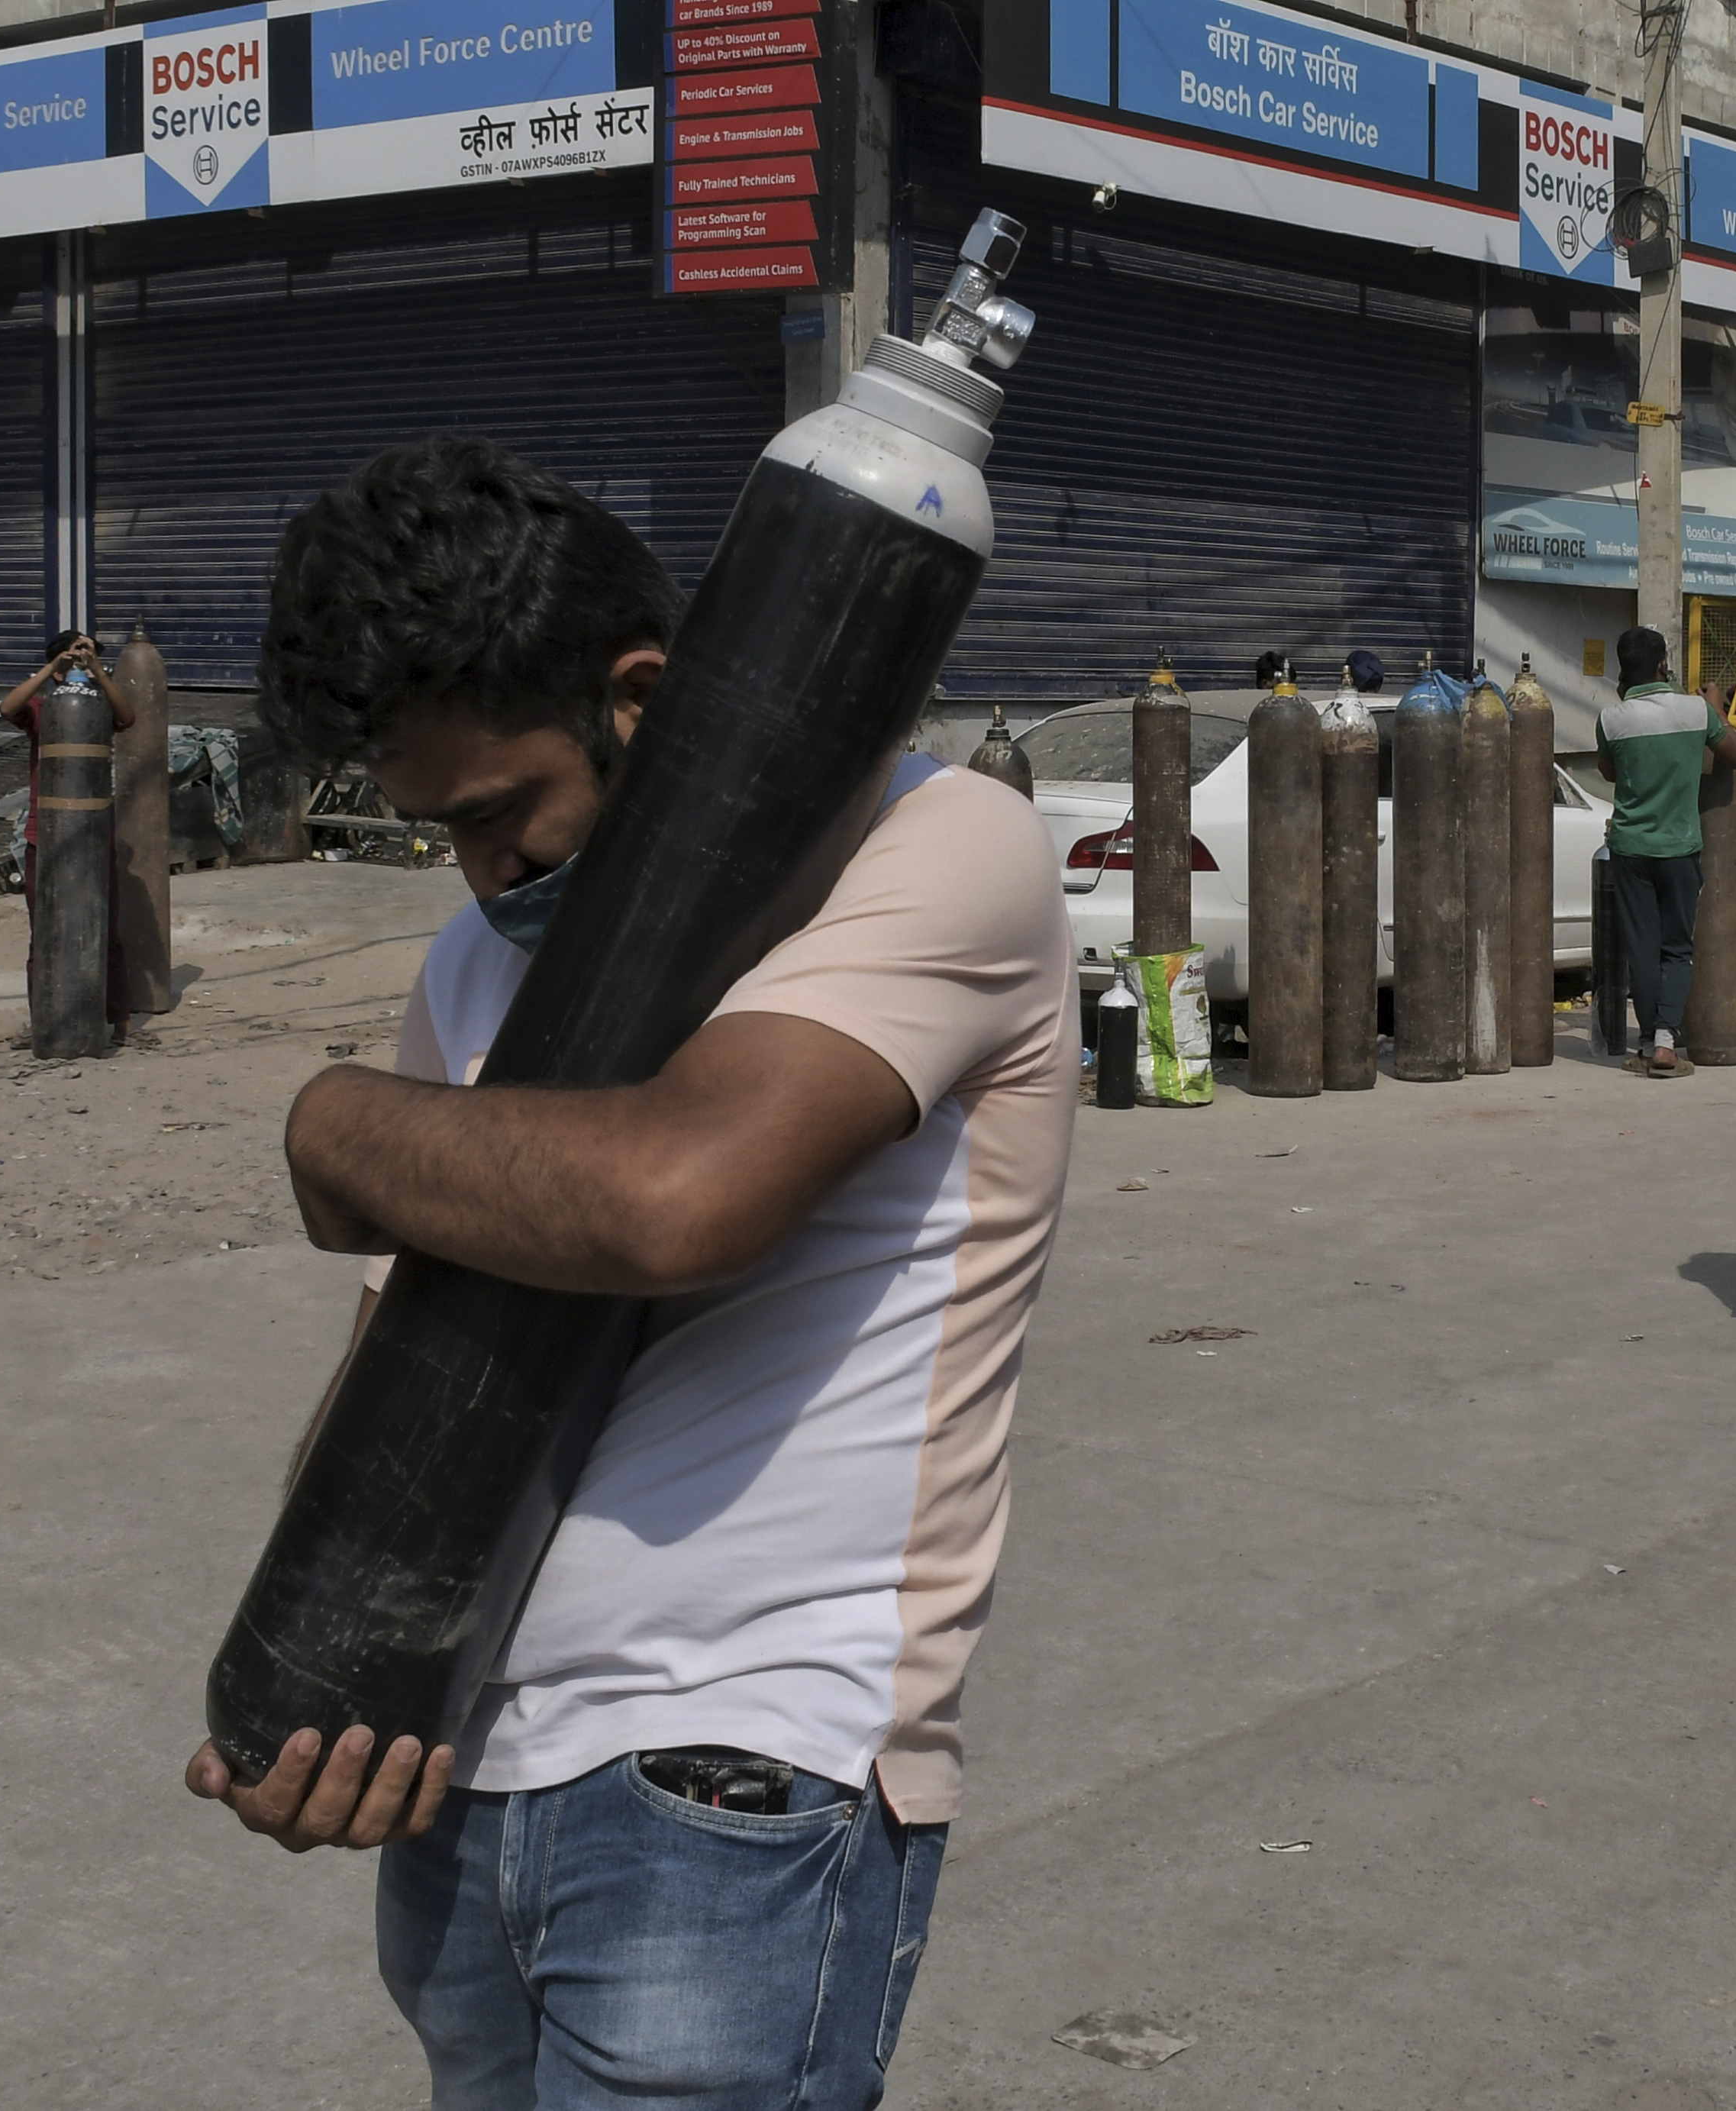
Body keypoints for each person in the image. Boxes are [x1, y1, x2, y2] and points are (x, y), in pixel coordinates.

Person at [182, 436, 1076, 2104]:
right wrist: (327, 1667)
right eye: (439, 832)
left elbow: (678, 1197)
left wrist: (327, 1121)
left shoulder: (941, 848)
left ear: (641, 696)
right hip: (464, 1772)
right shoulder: (472, 964)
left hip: (734, 1775)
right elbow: (398, 1357)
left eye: (498, 813)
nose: (484, 877)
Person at [1596, 625, 1736, 1077]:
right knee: (1677, 949)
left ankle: (1646, 1044)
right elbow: (1735, 755)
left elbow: (1609, 771)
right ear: (1664, 664)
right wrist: (1716, 707)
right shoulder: (1695, 711)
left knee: (1642, 948)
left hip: (1630, 849)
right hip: (1679, 849)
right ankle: (1665, 1044)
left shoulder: (1611, 719)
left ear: (1623, 671)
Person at [0, 629, 134, 1023]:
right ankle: (44, 1021)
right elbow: (7, 708)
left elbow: (127, 717)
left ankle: (118, 1021)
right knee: (45, 932)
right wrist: (52, 670)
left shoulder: (98, 707)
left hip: (94, 837)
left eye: (89, 658)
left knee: (104, 930)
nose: (84, 665)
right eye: (76, 659)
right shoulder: (44, 709)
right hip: (46, 838)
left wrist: (99, 672)